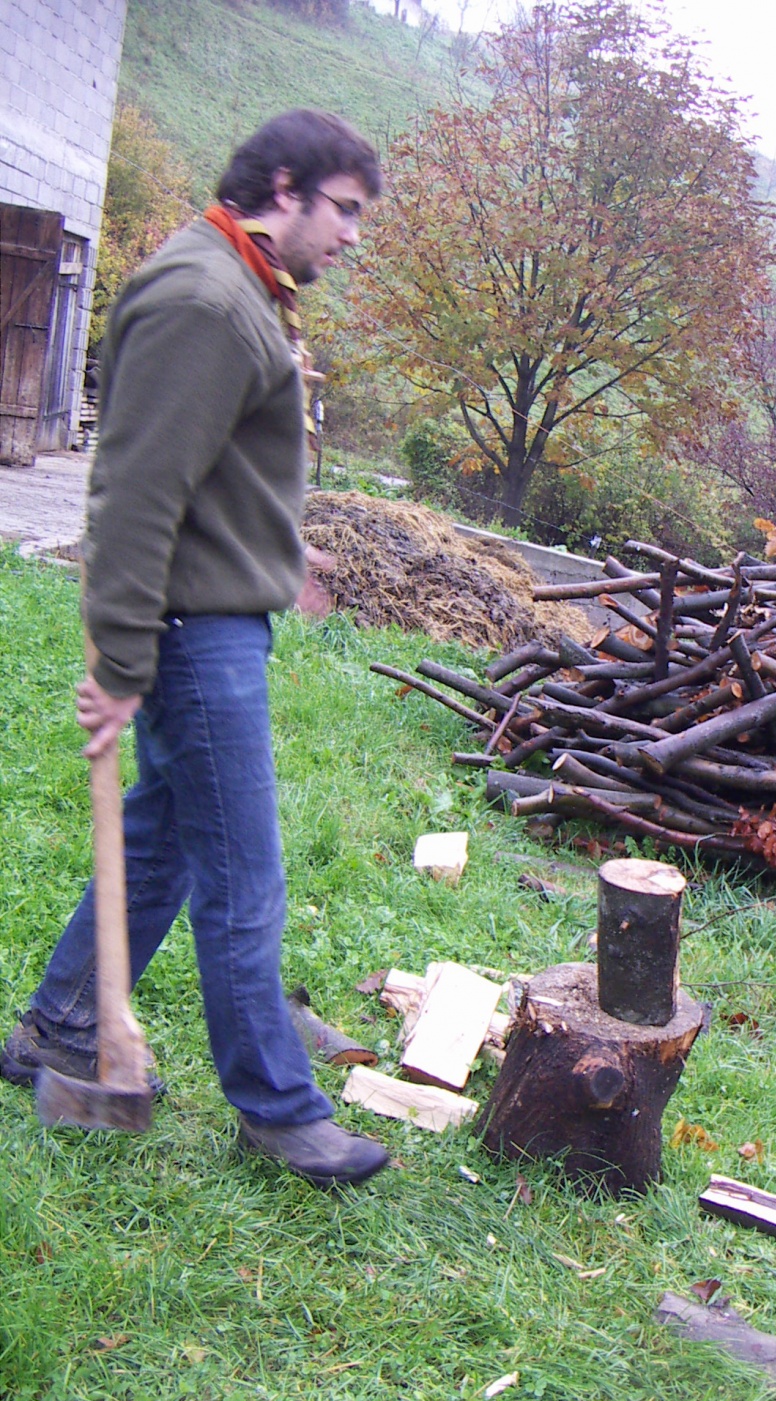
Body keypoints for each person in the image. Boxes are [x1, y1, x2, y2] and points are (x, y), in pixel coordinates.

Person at [1, 110, 389, 1190]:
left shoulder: (238, 284)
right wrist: (124, 666)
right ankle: (278, 1109)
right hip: (190, 635)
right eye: (345, 211)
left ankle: (63, 1028)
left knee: (169, 839)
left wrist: (274, 548)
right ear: (283, 185)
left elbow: (208, 471)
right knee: (244, 878)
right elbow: (133, 495)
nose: (353, 236)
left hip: (211, 614)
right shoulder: (208, 299)